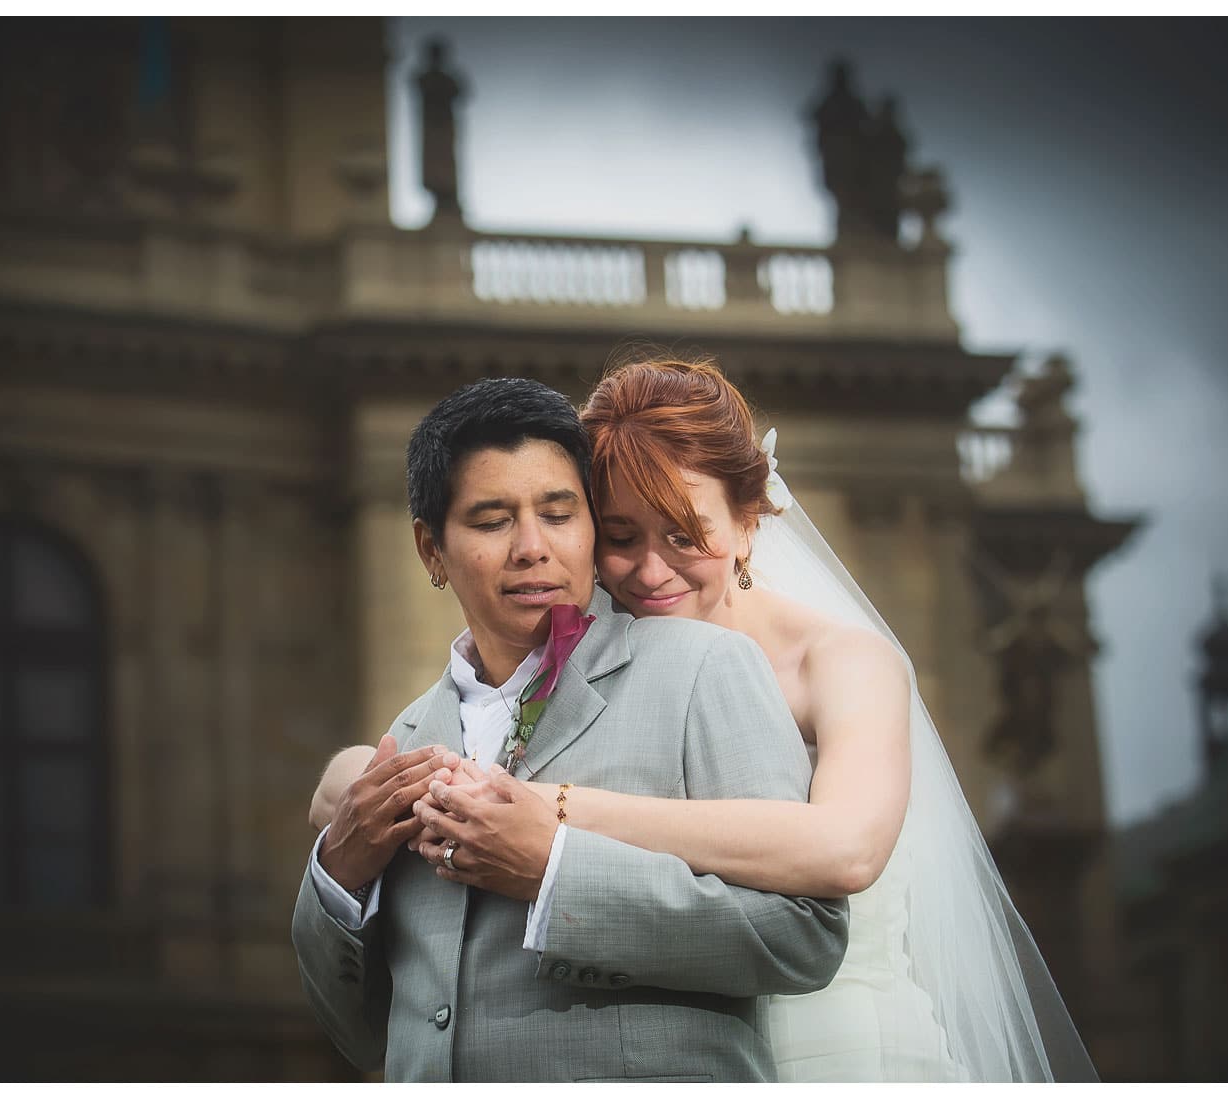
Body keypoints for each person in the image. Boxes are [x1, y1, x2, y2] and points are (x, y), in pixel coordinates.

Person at [311, 359, 1098, 1082]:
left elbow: (845, 850)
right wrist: (356, 779)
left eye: (685, 535)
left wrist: (554, 821)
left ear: (750, 524)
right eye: (620, 537)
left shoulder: (840, 661)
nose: (650, 572)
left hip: (846, 1047)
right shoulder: (570, 670)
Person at [291, 376, 848, 1082]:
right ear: (431, 550)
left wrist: (554, 878)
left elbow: (805, 938)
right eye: (492, 521)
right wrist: (337, 874)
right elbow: (364, 1037)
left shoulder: (704, 669)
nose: (532, 547)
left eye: (559, 514)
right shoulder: (405, 737)